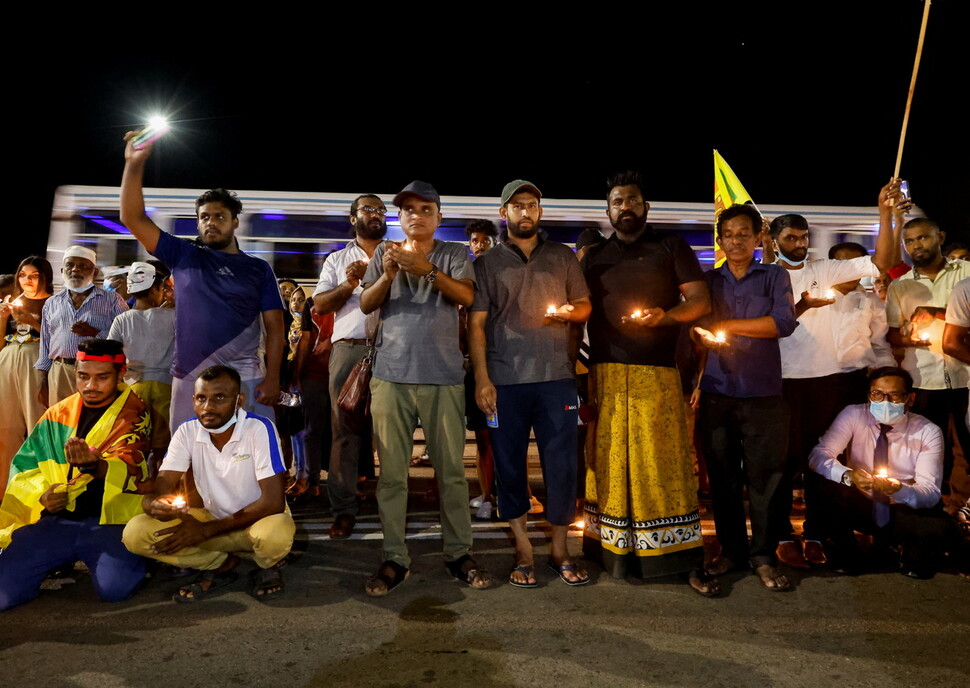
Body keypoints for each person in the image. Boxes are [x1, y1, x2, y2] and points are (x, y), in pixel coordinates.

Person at [581, 171, 715, 595]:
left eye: (633, 200)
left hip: (656, 373)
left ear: (646, 207)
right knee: (610, 465)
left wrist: (666, 316)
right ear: (608, 210)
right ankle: (612, 552)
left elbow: (700, 301)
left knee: (659, 465)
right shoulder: (594, 256)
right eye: (618, 201)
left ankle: (674, 556)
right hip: (605, 373)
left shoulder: (671, 246)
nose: (626, 207)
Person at [359, 180, 490, 595]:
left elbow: (466, 297)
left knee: (452, 473)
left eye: (425, 209)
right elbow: (366, 303)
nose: (416, 215)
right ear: (400, 218)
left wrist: (427, 271)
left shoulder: (453, 253)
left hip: (443, 376)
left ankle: (458, 552)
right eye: (408, 210)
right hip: (390, 377)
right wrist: (390, 275)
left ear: (438, 217)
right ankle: (395, 557)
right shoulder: (385, 252)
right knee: (392, 476)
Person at [768, 181, 897, 569]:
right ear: (774, 241)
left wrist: (886, 215)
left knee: (824, 463)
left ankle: (819, 533)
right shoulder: (765, 276)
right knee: (782, 464)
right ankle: (780, 534)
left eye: (804, 237)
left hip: (828, 384)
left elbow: (883, 261)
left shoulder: (824, 269)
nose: (799, 244)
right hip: (781, 385)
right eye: (790, 237)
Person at [469, 180, 591, 587]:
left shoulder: (562, 257)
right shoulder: (487, 263)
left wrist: (571, 312)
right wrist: (483, 378)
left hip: (556, 377)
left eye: (532, 205)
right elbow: (477, 323)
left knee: (561, 466)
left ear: (539, 212)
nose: (526, 212)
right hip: (505, 381)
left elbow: (585, 305)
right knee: (509, 467)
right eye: (517, 206)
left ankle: (560, 549)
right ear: (504, 213)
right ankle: (523, 548)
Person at [119, 133, 284, 427]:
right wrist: (134, 164)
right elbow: (133, 217)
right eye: (204, 217)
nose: (211, 222)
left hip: (244, 376)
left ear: (235, 222)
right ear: (197, 222)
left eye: (220, 216)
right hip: (190, 377)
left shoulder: (258, 269)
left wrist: (273, 378)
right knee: (187, 458)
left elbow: (275, 328)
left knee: (252, 458)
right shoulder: (183, 255)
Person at [0, 339, 152, 611]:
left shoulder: (135, 412)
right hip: (57, 521)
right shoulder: (58, 413)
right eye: (83, 376)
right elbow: (26, 466)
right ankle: (53, 558)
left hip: (108, 521)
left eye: (102, 377)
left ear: (121, 373)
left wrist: (94, 467)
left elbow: (132, 465)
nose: (91, 386)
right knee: (2, 594)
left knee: (114, 590)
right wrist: (44, 495)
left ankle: (136, 558)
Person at [122, 365, 294, 602]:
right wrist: (155, 505)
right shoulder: (187, 432)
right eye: (201, 398)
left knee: (274, 535)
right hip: (210, 519)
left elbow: (273, 501)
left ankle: (267, 565)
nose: (208, 407)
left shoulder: (258, 428)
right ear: (193, 400)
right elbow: (160, 486)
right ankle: (223, 565)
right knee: (136, 533)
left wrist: (203, 532)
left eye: (219, 398)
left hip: (256, 521)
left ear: (239, 400)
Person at [693, 203, 797, 591]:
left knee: (766, 476)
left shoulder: (774, 277)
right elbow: (696, 328)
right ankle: (732, 550)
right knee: (721, 477)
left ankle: (764, 555)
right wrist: (699, 333)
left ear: (758, 239)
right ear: (719, 241)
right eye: (728, 235)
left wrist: (726, 325)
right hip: (718, 390)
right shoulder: (708, 282)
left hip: (764, 392)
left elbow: (782, 323)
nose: (735, 241)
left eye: (743, 234)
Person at [808, 367, 966, 578]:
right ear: (869, 395)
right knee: (825, 489)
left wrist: (898, 489)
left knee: (934, 529)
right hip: (861, 501)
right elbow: (819, 455)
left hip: (900, 507)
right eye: (877, 394)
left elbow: (930, 493)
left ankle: (904, 551)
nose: (884, 401)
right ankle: (846, 555)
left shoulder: (927, 431)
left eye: (894, 395)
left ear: (910, 399)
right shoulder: (854, 414)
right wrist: (848, 475)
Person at [311, 194, 388, 539]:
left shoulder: (398, 253)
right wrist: (349, 283)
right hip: (349, 349)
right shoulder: (337, 259)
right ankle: (343, 509)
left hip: (392, 349)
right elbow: (320, 304)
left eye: (381, 210)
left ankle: (392, 503)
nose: (375, 215)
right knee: (344, 430)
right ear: (352, 218)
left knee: (392, 431)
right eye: (368, 210)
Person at [885, 217, 970, 496]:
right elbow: (892, 334)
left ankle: (962, 507)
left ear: (940, 237)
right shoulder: (900, 286)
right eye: (909, 241)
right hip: (923, 379)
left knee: (966, 450)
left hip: (965, 376)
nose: (916, 245)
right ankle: (932, 511)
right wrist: (907, 340)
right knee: (926, 451)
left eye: (923, 237)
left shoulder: (966, 273)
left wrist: (938, 311)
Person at [35, 246, 129, 408]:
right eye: (70, 265)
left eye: (83, 266)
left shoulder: (112, 300)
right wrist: (44, 380)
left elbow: (126, 337)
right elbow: (45, 343)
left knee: (94, 422)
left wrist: (94, 333)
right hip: (60, 372)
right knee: (62, 423)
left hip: (97, 372)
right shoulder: (52, 303)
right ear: (63, 270)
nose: (75, 269)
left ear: (95, 272)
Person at [107, 261, 176, 464]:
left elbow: (113, 355)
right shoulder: (173, 317)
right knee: (162, 444)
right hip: (167, 387)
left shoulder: (122, 320)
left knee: (136, 439)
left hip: (133, 389)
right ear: (156, 288)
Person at [0, 256, 53, 493]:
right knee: (5, 425)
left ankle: (39, 486)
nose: (26, 280)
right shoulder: (13, 301)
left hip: (36, 360)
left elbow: (58, 339)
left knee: (36, 422)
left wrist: (34, 322)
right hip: (8, 358)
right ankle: (5, 487)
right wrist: (3, 319)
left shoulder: (53, 302)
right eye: (22, 275)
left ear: (45, 277)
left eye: (33, 275)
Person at [462, 219, 499, 519]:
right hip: (468, 365)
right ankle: (486, 492)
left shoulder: (499, 272)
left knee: (497, 436)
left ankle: (498, 496)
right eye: (475, 240)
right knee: (481, 436)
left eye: (485, 240)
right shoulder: (466, 276)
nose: (479, 244)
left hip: (495, 363)